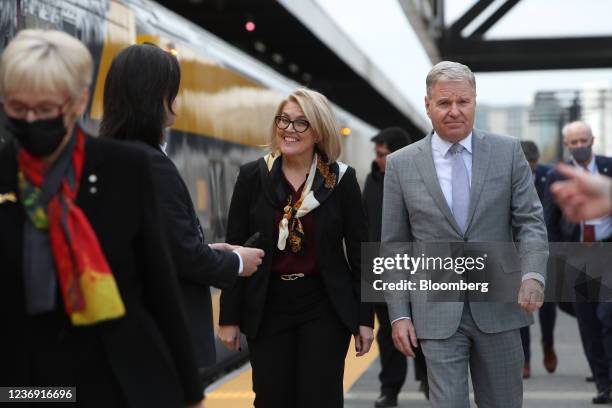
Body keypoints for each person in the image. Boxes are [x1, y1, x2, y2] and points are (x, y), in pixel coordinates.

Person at [0, 30, 203, 407]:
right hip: (27, 387)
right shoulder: (4, 175)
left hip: (116, 380)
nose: (31, 120)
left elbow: (159, 287)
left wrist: (188, 392)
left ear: (78, 102)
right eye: (17, 108)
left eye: (45, 110)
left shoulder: (125, 169)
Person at [382, 61, 548, 408]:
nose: (454, 111)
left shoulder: (507, 152)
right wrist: (398, 314)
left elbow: (530, 222)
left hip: (501, 307)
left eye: (463, 102)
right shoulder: (401, 164)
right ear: (428, 105)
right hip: (435, 312)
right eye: (444, 103)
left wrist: (533, 275)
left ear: (475, 101)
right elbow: (394, 246)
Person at [99, 43, 264, 372]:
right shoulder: (150, 164)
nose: (177, 101)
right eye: (173, 91)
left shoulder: (111, 156)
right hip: (162, 340)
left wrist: (207, 249)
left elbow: (155, 243)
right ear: (155, 96)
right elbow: (179, 255)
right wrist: (236, 262)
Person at [218, 88, 374, 408]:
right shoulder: (253, 176)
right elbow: (235, 247)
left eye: (301, 123)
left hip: (324, 306)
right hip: (268, 305)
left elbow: (361, 253)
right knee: (271, 397)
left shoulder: (340, 180)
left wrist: (364, 318)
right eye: (284, 120)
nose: (289, 129)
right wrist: (229, 317)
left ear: (318, 131)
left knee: (320, 398)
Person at [542, 121, 612, 404]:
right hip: (579, 256)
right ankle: (603, 383)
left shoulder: (608, 168)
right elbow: (549, 220)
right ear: (566, 145)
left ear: (592, 139)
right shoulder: (556, 177)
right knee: (589, 322)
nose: (580, 146)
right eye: (574, 142)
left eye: (584, 140)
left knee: (609, 317)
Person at [362, 127, 428, 407]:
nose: (378, 160)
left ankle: (429, 381)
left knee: (425, 329)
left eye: (383, 154)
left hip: (417, 268)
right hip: (380, 268)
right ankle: (390, 390)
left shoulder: (419, 178)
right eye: (377, 154)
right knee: (389, 335)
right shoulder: (372, 180)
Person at [519, 140, 558, 379]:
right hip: (518, 253)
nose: (530, 169)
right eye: (526, 165)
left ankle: (548, 343)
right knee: (523, 306)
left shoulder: (549, 177)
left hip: (549, 250)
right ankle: (525, 359)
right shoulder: (508, 177)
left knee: (548, 305)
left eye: (533, 165)